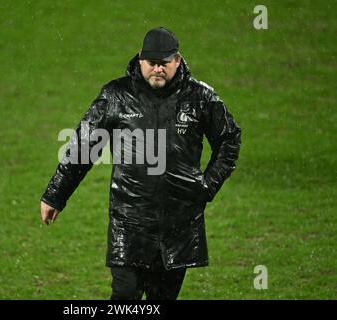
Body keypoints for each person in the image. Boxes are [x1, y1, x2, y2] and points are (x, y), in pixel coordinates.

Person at [40, 27, 241, 300]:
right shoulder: (116, 96)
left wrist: (207, 186)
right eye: (152, 63)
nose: (158, 69)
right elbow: (83, 147)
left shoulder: (200, 98)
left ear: (178, 60)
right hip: (129, 222)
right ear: (140, 59)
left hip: (177, 224)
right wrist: (55, 195)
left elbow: (229, 138)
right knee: (124, 297)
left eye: (164, 63)